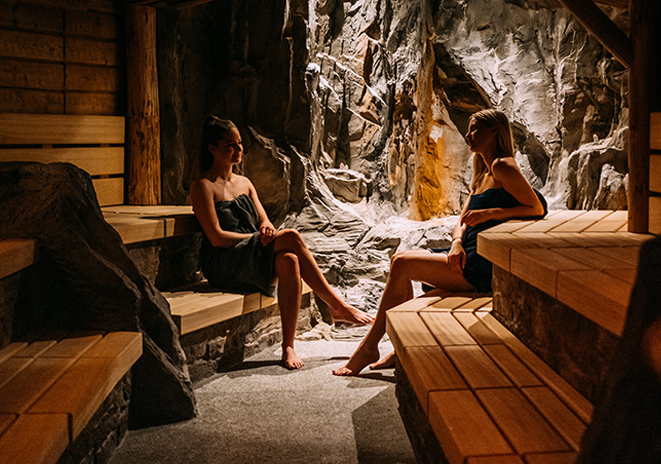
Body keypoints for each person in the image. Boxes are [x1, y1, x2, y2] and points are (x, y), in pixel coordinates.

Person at [333, 108, 547, 376]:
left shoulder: (503, 166)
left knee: (402, 263)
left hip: (481, 265)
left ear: (494, 131)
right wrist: (457, 241)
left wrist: (493, 213)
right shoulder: (481, 170)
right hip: (466, 251)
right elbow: (463, 218)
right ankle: (399, 348)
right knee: (410, 280)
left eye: (474, 129)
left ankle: (370, 346)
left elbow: (536, 208)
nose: (468, 135)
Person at [190, 115, 373, 370]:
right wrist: (257, 239)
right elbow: (217, 237)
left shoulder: (244, 183)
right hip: (224, 261)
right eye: (230, 145)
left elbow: (265, 221)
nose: (238, 149)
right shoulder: (202, 186)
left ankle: (289, 345)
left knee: (289, 261)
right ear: (212, 148)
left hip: (250, 255)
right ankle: (338, 306)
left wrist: (265, 228)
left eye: (240, 143)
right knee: (292, 237)